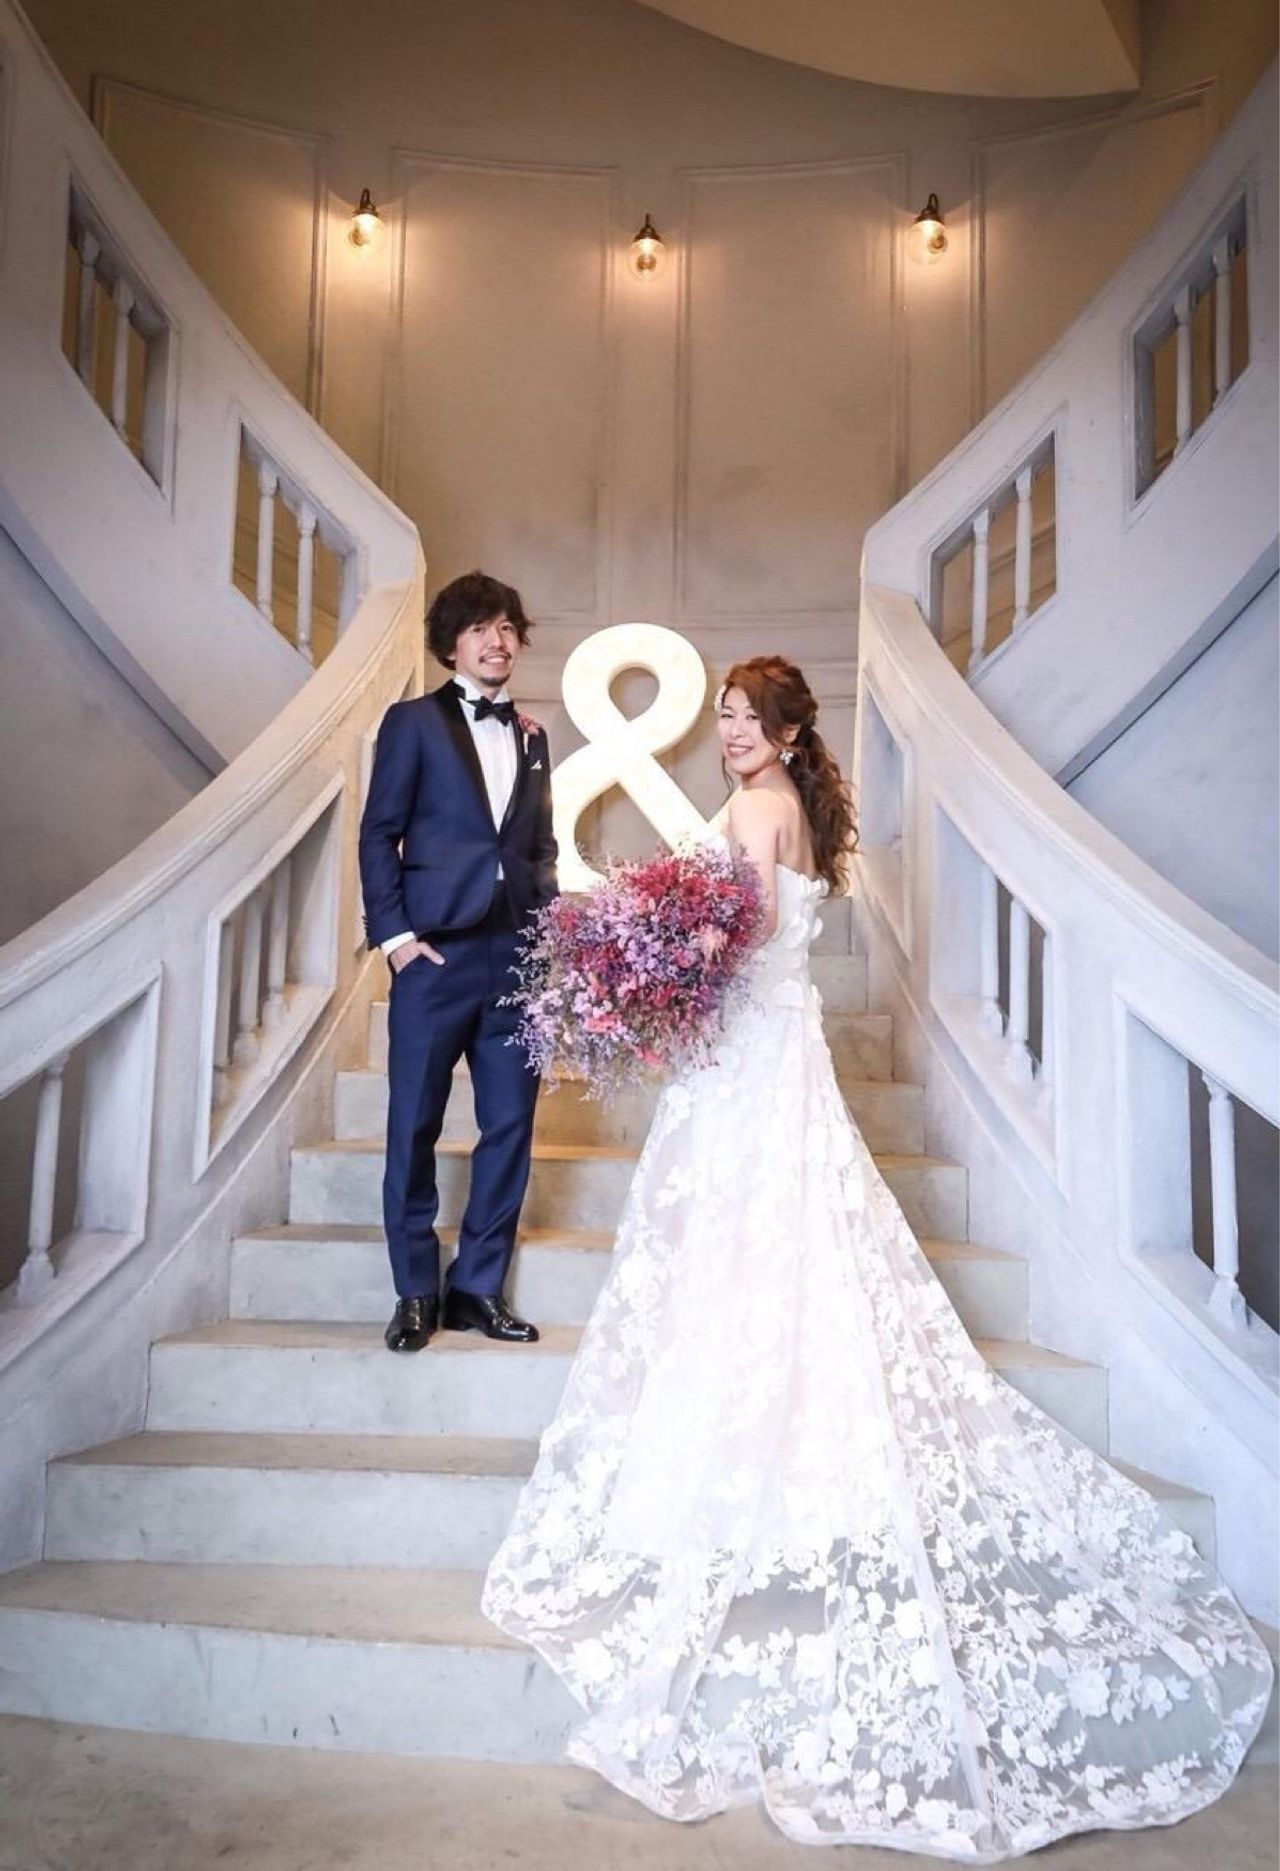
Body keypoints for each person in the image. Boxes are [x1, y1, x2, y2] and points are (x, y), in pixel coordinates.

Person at [483, 654, 1273, 1859]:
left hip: (748, 1057)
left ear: (788, 733)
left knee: (740, 1245)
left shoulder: (758, 808)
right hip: (768, 1051)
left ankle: (742, 1465)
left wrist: (644, 965)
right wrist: (651, 959)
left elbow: (737, 938)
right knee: (778, 1243)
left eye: (746, 719)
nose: (730, 733)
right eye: (724, 718)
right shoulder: (787, 808)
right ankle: (776, 1443)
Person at [358, 570, 557, 1353]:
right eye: (480, 627)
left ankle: (477, 1286)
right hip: (435, 956)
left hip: (514, 957)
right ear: (451, 642)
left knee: (510, 1124)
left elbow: (539, 845)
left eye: (506, 626)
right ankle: (415, 1290)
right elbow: (379, 833)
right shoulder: (411, 723)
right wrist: (397, 940)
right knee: (413, 1121)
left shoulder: (534, 736)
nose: (496, 640)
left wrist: (545, 937)